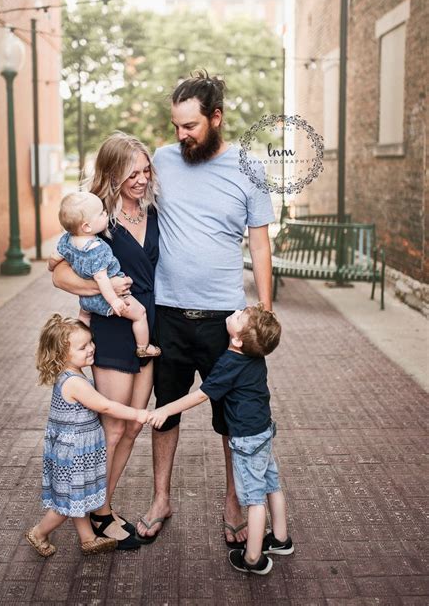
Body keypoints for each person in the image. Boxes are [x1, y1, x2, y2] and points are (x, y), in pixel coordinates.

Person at [136, 70, 275, 546]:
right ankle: (161, 499)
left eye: (191, 126)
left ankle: (234, 501)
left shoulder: (249, 168)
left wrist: (265, 313)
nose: (181, 135)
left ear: (216, 118)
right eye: (176, 125)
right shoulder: (162, 160)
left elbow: (259, 245)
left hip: (227, 321)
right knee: (166, 411)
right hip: (168, 314)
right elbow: (131, 208)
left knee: (231, 419)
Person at [51, 133, 159, 550]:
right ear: (112, 173)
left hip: (148, 326)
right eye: (132, 172)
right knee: (112, 428)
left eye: (146, 170)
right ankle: (100, 511)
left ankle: (102, 506)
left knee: (132, 424)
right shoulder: (94, 216)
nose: (141, 179)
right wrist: (102, 289)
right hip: (113, 328)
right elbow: (58, 273)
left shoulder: (155, 210)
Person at [147, 304, 293, 575]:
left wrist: (166, 408)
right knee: (272, 484)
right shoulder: (254, 356)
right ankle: (282, 539)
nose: (236, 312)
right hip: (263, 432)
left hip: (247, 440)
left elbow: (201, 394)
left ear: (237, 339)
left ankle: (252, 558)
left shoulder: (230, 362)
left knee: (254, 499)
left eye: (239, 317)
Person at [25, 314, 149, 557]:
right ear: (61, 354)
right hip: (73, 454)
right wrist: (137, 413)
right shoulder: (75, 382)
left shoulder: (72, 373)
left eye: (91, 342)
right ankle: (38, 533)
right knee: (66, 506)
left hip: (74, 450)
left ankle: (88, 538)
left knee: (78, 498)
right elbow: (105, 406)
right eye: (83, 347)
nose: (91, 348)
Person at [48, 191, 160, 358]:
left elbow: (54, 259)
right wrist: (115, 300)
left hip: (86, 301)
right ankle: (143, 347)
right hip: (109, 298)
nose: (106, 213)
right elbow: (102, 279)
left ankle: (81, 342)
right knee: (140, 314)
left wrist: (51, 267)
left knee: (84, 319)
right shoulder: (98, 249)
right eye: (101, 214)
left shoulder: (66, 241)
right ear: (86, 226)